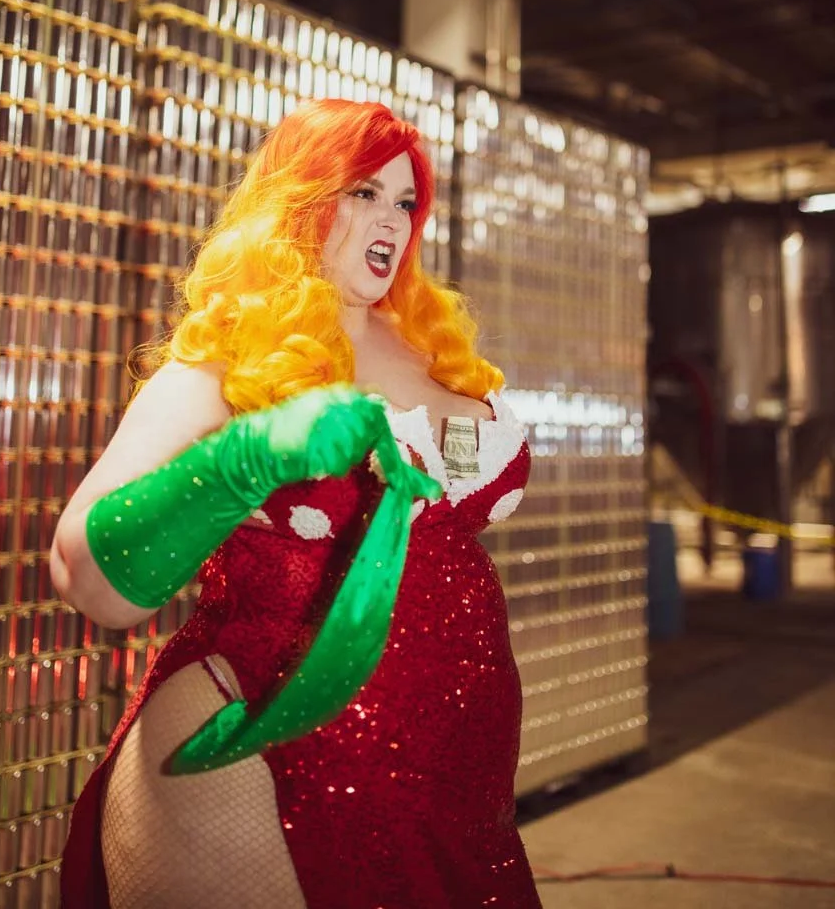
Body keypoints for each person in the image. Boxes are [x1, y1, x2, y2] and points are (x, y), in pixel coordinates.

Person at [53, 98, 542, 908]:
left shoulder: (433, 352)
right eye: (363, 192)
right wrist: (242, 459)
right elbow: (90, 582)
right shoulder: (221, 362)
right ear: (301, 198)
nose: (390, 220)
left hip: (453, 782)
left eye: (405, 202)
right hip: (258, 747)